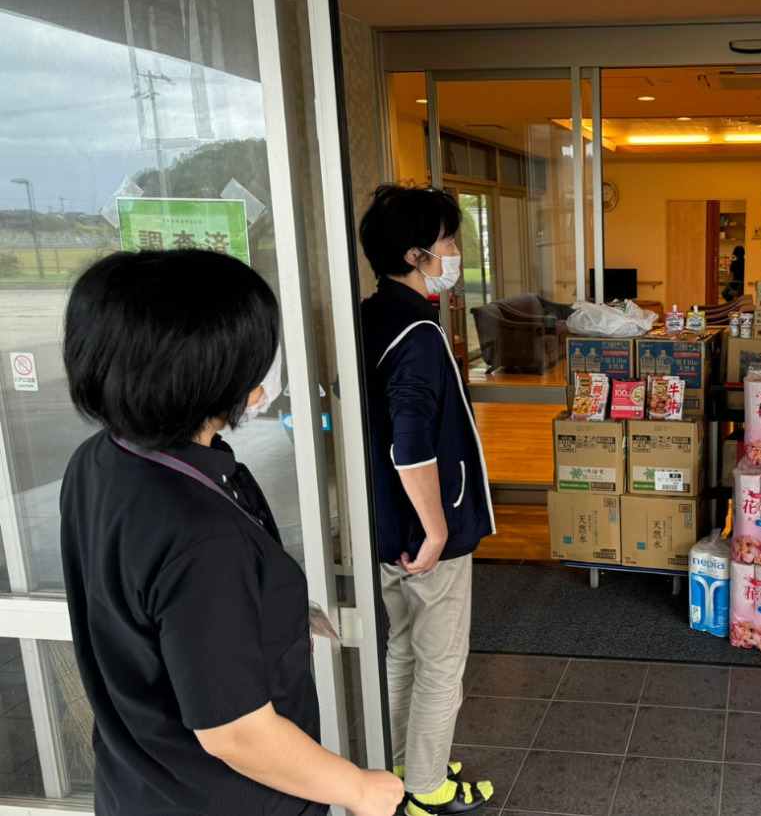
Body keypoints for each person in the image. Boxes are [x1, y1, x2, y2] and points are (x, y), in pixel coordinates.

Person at [59, 249, 403, 816]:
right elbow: (236, 733)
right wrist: (360, 789)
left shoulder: (101, 459)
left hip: (141, 784)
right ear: (207, 372)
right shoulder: (200, 534)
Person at [358, 184, 496, 816]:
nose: (456, 252)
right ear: (416, 255)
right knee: (441, 663)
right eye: (448, 243)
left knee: (402, 648)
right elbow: (411, 443)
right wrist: (437, 529)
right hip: (423, 531)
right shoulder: (416, 333)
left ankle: (400, 766)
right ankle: (427, 789)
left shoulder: (370, 314)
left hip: (385, 526)